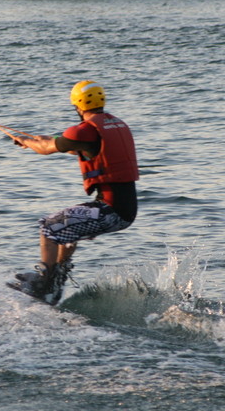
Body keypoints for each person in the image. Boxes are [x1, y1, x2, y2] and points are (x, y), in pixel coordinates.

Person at [10, 80, 140, 304]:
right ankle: (57, 278)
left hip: (110, 211)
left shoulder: (85, 130)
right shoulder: (115, 125)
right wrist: (40, 139)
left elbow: (47, 149)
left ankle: (45, 282)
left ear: (77, 106)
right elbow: (69, 146)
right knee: (67, 228)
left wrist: (25, 141)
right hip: (124, 210)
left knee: (49, 226)